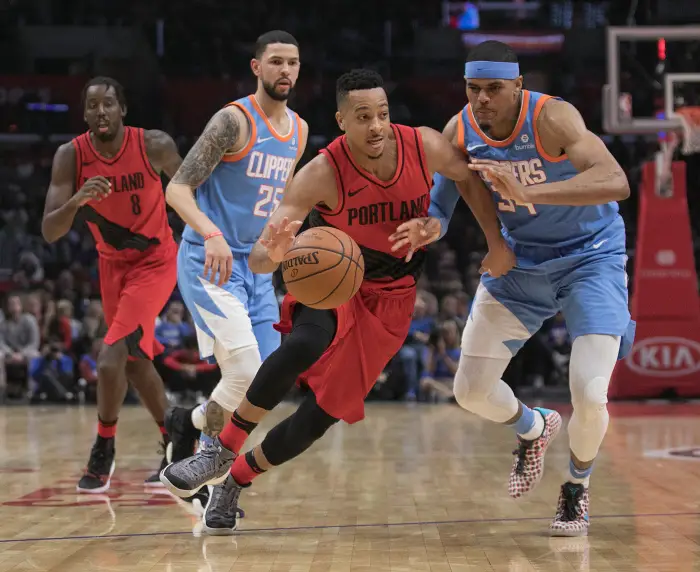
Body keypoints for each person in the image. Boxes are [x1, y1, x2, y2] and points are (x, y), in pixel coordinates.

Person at [160, 68, 515, 535]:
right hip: (337, 283)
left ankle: (236, 482)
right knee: (306, 343)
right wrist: (278, 250)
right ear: (342, 121)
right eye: (363, 116)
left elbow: (468, 178)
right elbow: (263, 261)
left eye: (382, 114)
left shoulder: (422, 145)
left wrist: (464, 231)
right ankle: (218, 452)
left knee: (321, 415)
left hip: (393, 298)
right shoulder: (321, 174)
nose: (376, 126)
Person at [393, 40, 634, 536]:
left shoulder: (553, 118)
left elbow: (615, 180)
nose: (482, 98)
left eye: (494, 88)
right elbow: (443, 199)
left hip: (590, 257)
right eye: (473, 88)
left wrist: (532, 192)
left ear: (518, 86)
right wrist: (431, 227)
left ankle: (576, 488)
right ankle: (533, 427)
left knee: (589, 392)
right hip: (520, 262)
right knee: (470, 391)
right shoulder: (460, 129)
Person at [162, 30, 307, 511]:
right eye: (277, 62)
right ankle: (207, 462)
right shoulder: (232, 121)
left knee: (263, 383)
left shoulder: (300, 131)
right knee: (245, 369)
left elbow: (277, 202)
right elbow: (178, 190)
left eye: (293, 63)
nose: (286, 71)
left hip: (259, 267)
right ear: (256, 67)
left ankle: (192, 422)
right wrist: (212, 233)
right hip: (211, 261)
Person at [42, 76, 183, 492]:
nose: (99, 112)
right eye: (92, 106)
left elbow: (194, 190)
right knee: (137, 362)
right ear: (84, 113)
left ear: (122, 109)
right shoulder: (71, 156)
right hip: (112, 267)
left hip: (156, 260)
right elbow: (51, 230)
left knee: (109, 360)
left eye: (107, 104)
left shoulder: (153, 144)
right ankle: (177, 441)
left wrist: (210, 241)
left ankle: (103, 446)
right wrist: (77, 200)